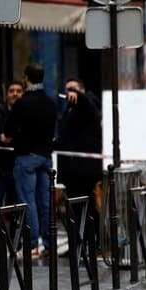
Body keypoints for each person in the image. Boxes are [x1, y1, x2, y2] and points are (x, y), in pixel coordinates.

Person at [4, 64, 57, 257]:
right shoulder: (50, 102)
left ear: (26, 78)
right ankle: (49, 243)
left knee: (28, 200)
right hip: (45, 157)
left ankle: (32, 243)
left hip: (26, 155)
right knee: (45, 201)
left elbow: (7, 133)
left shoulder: (22, 103)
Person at [56, 78, 102, 208]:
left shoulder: (87, 103)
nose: (70, 93)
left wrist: (79, 96)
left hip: (84, 171)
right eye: (68, 90)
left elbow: (88, 106)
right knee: (75, 208)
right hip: (72, 170)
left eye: (73, 89)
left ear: (81, 90)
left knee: (87, 208)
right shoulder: (69, 109)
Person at [0, 80, 24, 209]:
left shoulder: (26, 113)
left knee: (17, 206)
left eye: (19, 91)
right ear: (6, 94)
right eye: (11, 91)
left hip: (18, 165)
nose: (15, 94)